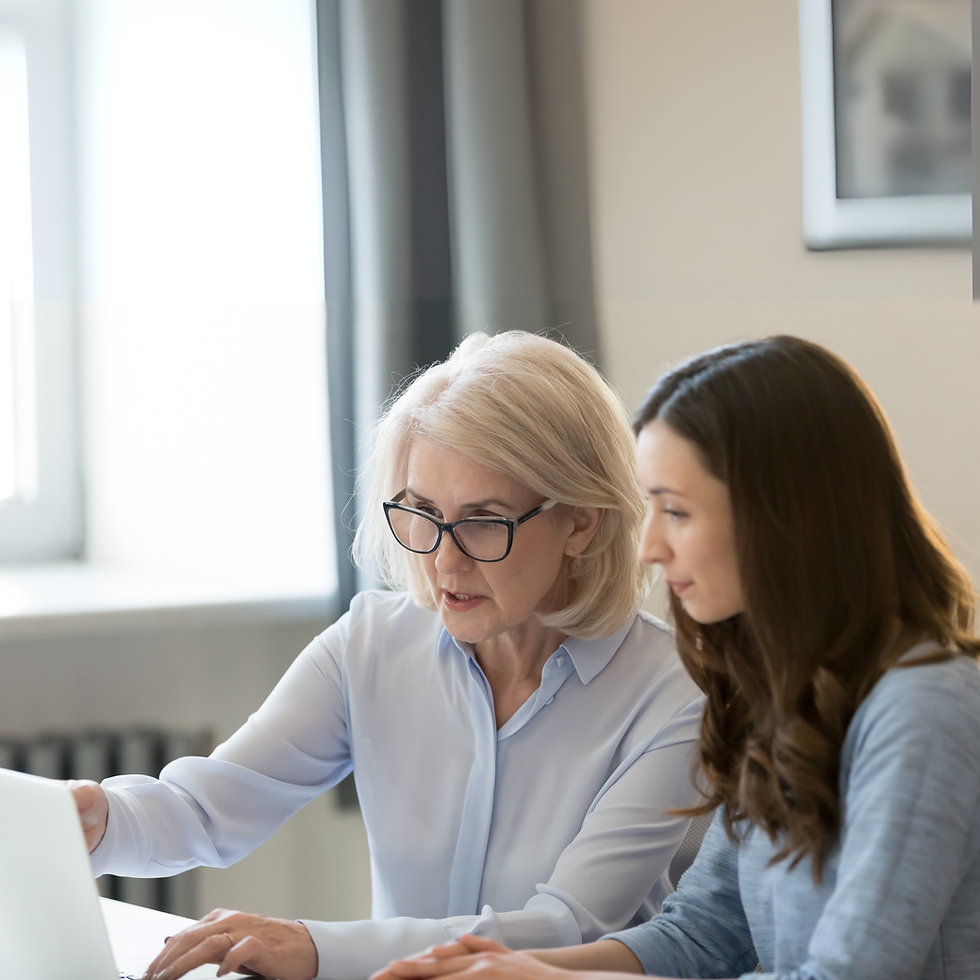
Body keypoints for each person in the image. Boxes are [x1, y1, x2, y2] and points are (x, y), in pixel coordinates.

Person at [70, 331, 705, 980]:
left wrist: (315, 948)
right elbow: (209, 806)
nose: (443, 560)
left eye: (483, 520)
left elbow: (566, 926)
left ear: (581, 521)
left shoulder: (674, 697)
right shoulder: (372, 643)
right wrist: (101, 819)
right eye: (422, 512)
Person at [378, 335, 980, 980]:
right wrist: (511, 968)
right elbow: (702, 936)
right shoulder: (779, 700)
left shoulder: (923, 709)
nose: (649, 548)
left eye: (676, 511)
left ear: (782, 520)